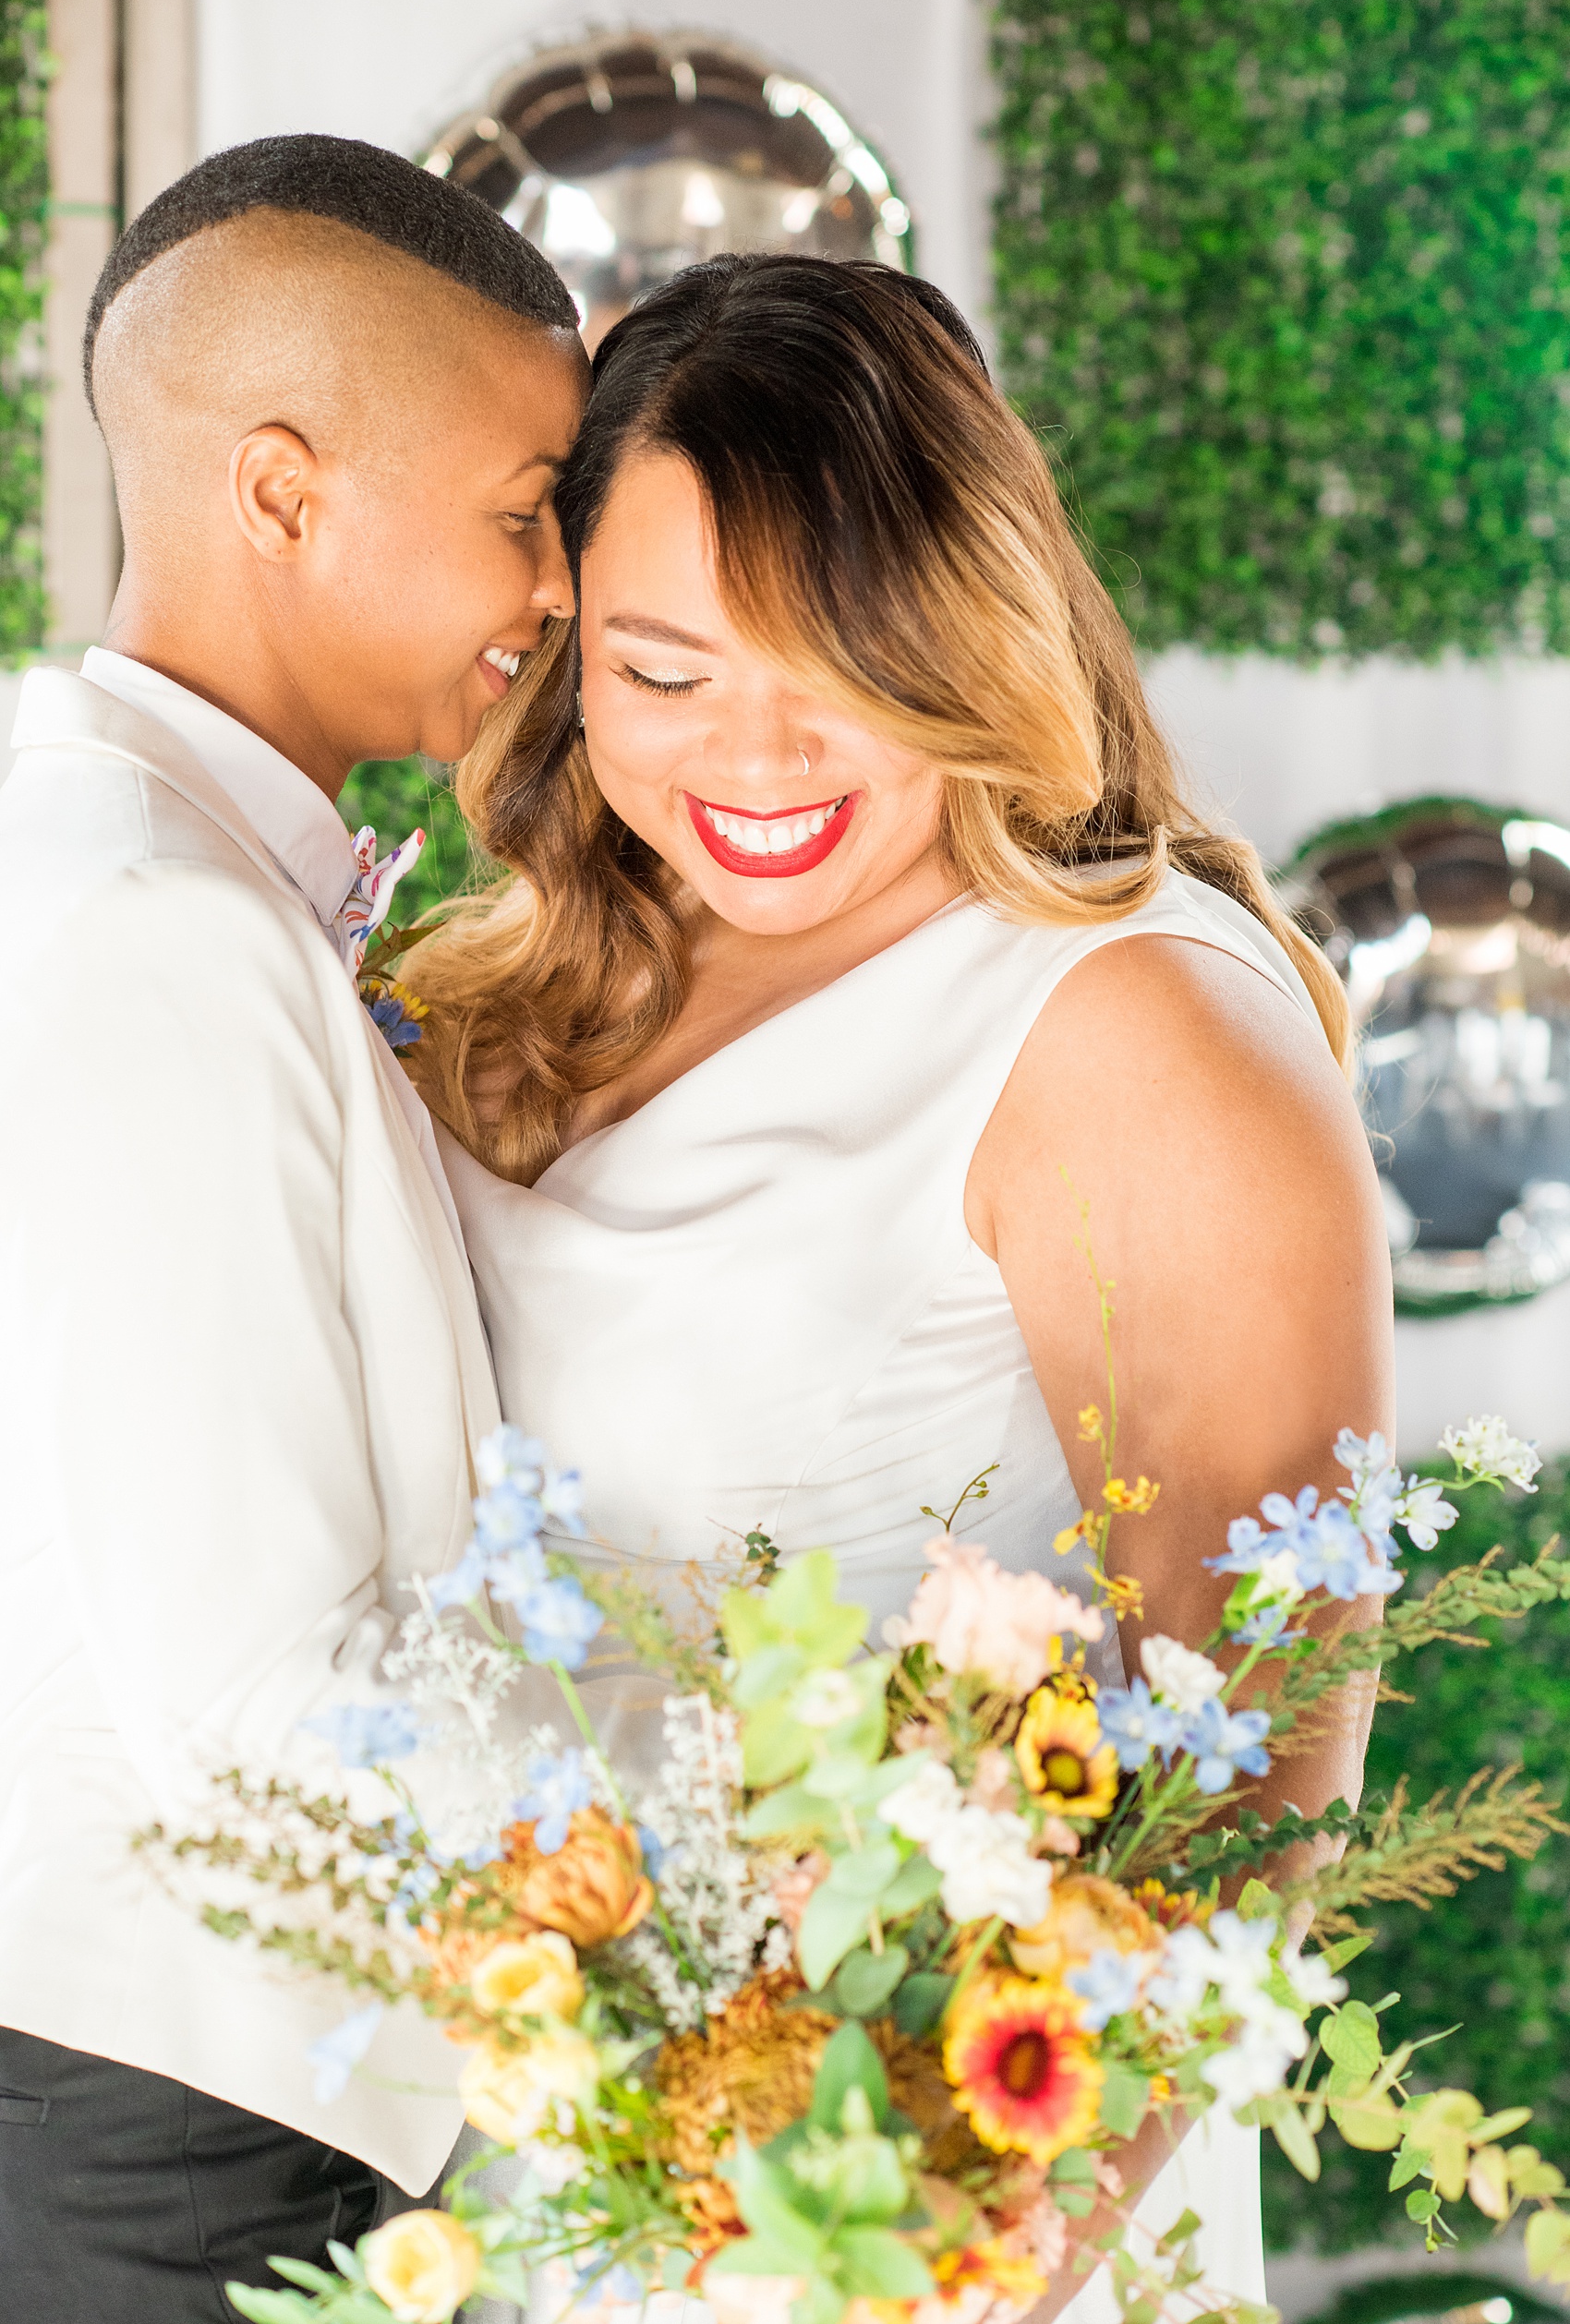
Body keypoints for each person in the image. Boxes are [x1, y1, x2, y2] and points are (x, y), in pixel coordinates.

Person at [408, 253, 1393, 2321]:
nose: (749, 759)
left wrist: (951, 2272)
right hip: (530, 2165)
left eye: (831, 662)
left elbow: (1262, 1747)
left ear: (966, 626)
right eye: (664, 670)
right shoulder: (510, 988)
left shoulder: (1127, 1022)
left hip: (914, 2213)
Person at [0, 135, 586, 2320]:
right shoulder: (157, 918)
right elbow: (263, 1701)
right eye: (521, 509)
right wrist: (754, 1839)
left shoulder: (110, 842)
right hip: (166, 2137)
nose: (550, 589)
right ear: (280, 489)